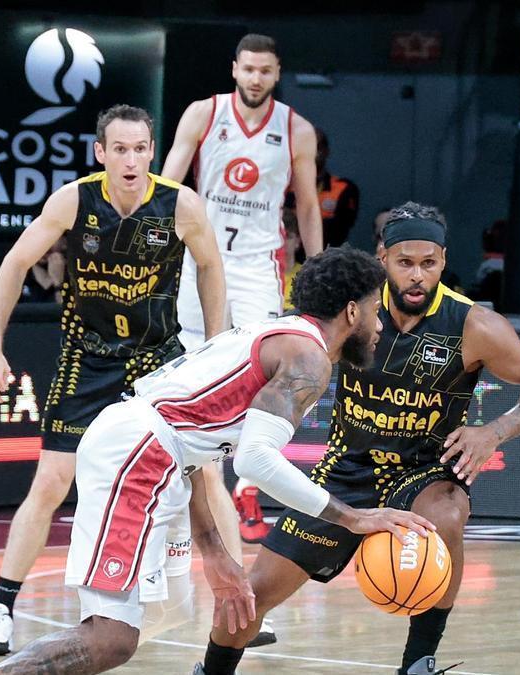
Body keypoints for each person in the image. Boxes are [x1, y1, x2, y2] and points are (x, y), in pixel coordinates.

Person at [0, 247, 435, 675]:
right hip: (139, 451)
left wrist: (214, 548)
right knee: (112, 638)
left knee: (170, 606)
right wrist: (352, 518)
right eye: (376, 310)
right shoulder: (308, 357)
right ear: (352, 312)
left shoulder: (281, 335)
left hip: (159, 453)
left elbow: (194, 440)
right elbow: (255, 461)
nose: (379, 327)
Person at [197, 203, 520, 675]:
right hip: (348, 470)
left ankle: (419, 661)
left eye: (429, 264)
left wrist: (493, 431)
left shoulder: (474, 326)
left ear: (444, 261)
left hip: (426, 470)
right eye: (405, 263)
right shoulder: (349, 313)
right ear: (382, 258)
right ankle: (211, 670)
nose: (417, 276)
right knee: (253, 595)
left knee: (448, 513)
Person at [0, 104, 227, 657]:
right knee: (51, 483)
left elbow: (210, 266)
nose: (132, 160)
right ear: (101, 153)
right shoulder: (74, 201)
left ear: (151, 153)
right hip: (87, 359)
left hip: (158, 364)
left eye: (141, 149)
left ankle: (231, 593)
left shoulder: (181, 206)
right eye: (121, 150)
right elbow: (14, 264)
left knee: (202, 477)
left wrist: (217, 344)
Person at [161, 33, 323, 567]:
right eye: (248, 69)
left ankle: (248, 484)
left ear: (278, 74)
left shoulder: (295, 129)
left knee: (261, 377)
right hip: (202, 259)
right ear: (234, 69)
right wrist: (155, 245)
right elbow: (168, 185)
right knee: (195, 369)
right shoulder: (203, 114)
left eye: (266, 71)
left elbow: (306, 205)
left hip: (258, 265)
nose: (256, 78)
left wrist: (316, 269)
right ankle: (185, 483)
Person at [314, 127, 360, 249]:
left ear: (326, 151)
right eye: (307, 147)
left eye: (317, 147)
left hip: (328, 256)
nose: (312, 153)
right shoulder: (286, 186)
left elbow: (340, 230)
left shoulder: (344, 188)